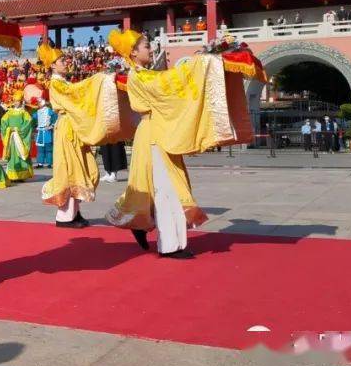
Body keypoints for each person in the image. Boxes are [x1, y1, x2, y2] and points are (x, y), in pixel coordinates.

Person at [105, 29, 257, 259]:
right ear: (133, 53)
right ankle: (169, 245)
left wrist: (208, 60)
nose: (151, 49)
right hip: (154, 135)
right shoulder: (141, 76)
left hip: (160, 131)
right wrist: (204, 61)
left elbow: (168, 82)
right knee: (167, 190)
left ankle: (153, 230)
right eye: (146, 46)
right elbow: (171, 82)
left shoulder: (145, 74)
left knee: (168, 188)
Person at [37, 42, 130, 228]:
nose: (66, 62)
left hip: (75, 127)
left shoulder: (63, 82)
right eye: (61, 60)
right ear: (53, 65)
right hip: (67, 128)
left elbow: (77, 91)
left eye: (64, 59)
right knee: (71, 170)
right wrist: (99, 79)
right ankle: (64, 217)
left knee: (83, 168)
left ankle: (75, 212)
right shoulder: (56, 83)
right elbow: (77, 92)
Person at [0, 91, 34, 182]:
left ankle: (22, 175)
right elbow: (3, 122)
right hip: (11, 137)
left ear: (21, 101)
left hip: (20, 137)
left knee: (21, 153)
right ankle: (13, 174)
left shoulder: (24, 113)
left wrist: (19, 130)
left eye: (18, 101)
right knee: (13, 155)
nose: (16, 102)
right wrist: (9, 130)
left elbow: (28, 124)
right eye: (15, 100)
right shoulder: (9, 112)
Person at [33, 99, 56, 168]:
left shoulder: (49, 111)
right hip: (40, 132)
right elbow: (33, 118)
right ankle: (40, 163)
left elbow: (55, 118)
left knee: (49, 149)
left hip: (47, 132)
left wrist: (51, 126)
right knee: (40, 149)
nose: (38, 104)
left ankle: (50, 163)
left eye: (39, 103)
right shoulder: (37, 112)